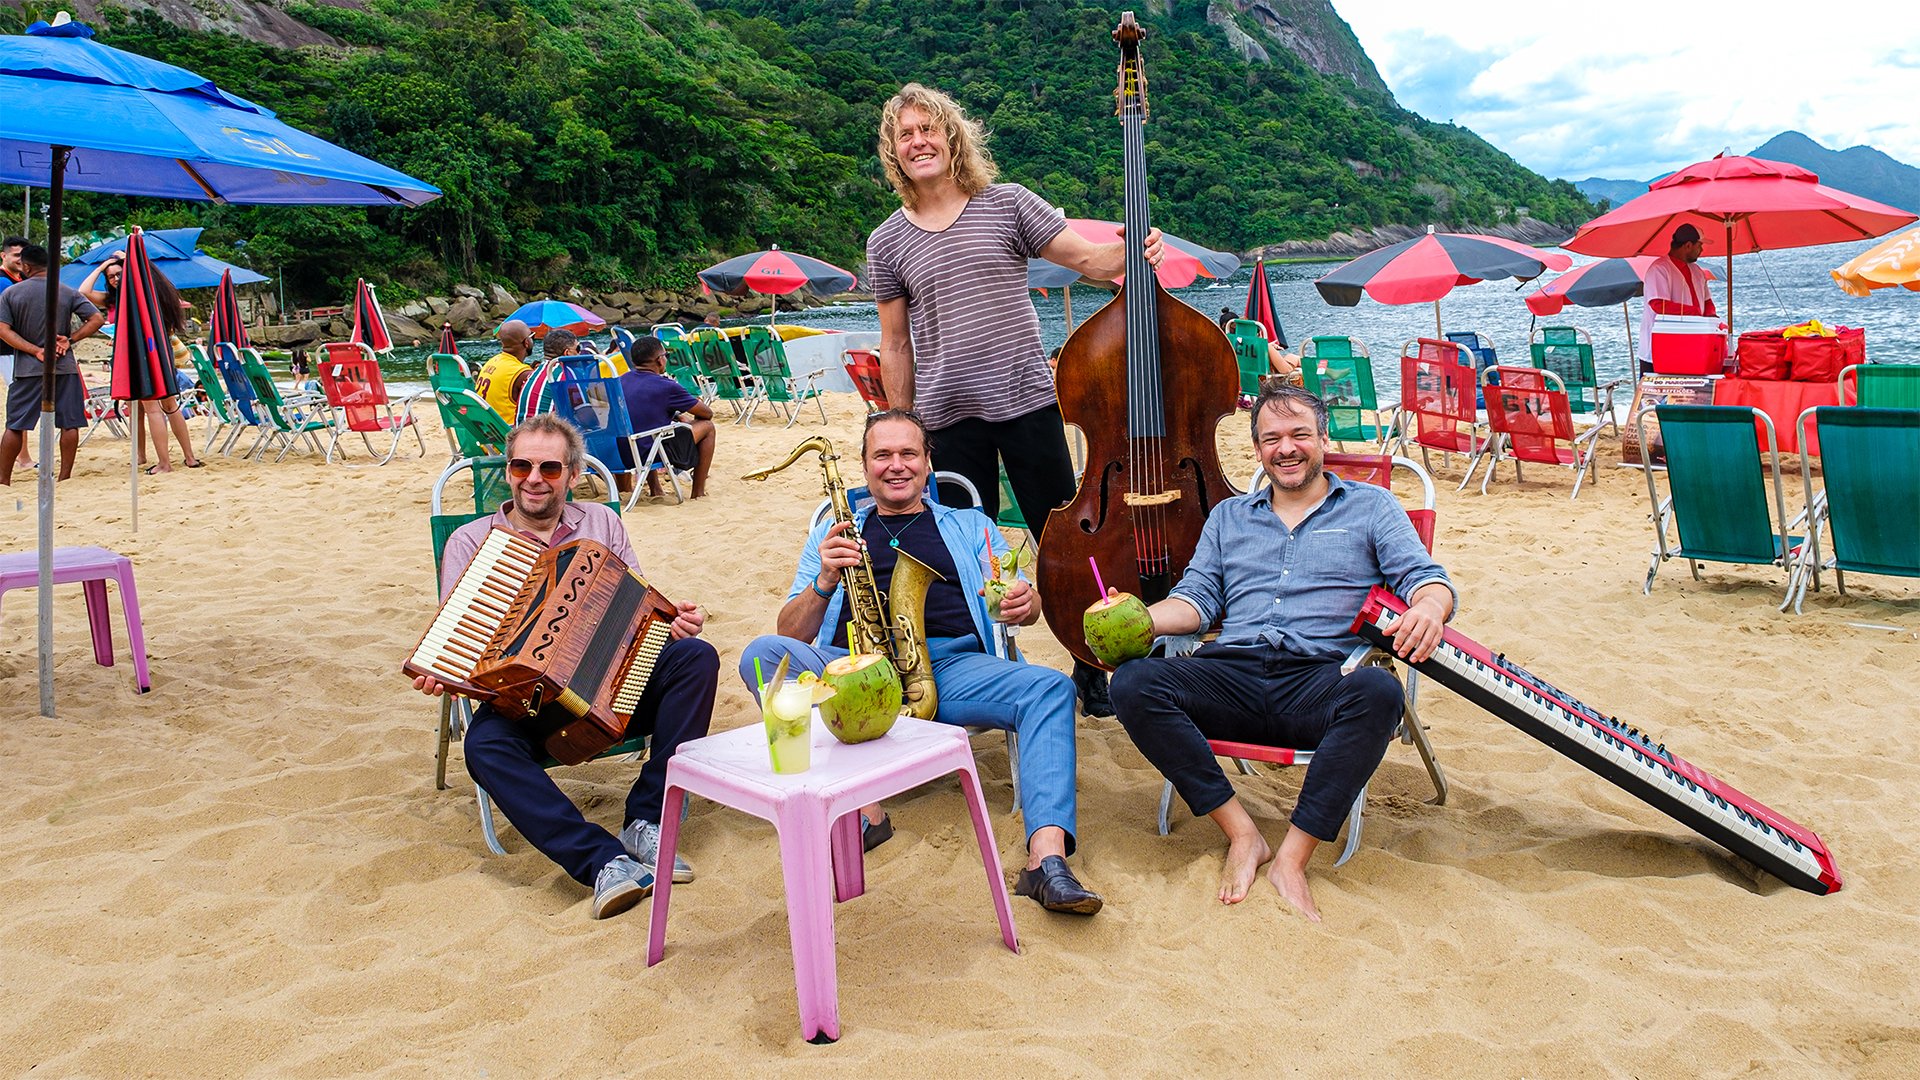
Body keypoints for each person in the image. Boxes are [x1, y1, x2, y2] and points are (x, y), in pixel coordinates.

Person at [865, 81, 1165, 718]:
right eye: (905, 134)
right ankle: (982, 667)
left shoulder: (1008, 204)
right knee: (960, 550)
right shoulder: (886, 241)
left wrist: (1136, 251)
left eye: (929, 129)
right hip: (947, 417)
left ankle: (1091, 663)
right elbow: (895, 344)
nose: (919, 141)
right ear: (893, 150)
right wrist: (903, 423)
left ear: (952, 137)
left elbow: (1090, 260)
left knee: (1065, 539)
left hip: (1027, 401)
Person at [1107, 383, 1456, 922]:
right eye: (1271, 438)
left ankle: (1291, 859)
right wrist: (1140, 619)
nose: (1286, 448)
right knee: (1131, 682)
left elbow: (1425, 579)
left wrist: (1430, 609)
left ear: (1323, 439)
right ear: (1258, 449)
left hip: (1316, 681)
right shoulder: (1228, 518)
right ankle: (1243, 834)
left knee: (1378, 690)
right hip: (1232, 675)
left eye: (1299, 435)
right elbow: (1197, 599)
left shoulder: (1372, 507)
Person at [738, 410, 1104, 915]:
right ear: (864, 467)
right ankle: (865, 810)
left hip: (949, 665)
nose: (896, 466)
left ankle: (1046, 861)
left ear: (928, 462)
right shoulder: (835, 532)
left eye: (908, 453)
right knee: (761, 656)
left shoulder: (971, 525)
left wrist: (1027, 601)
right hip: (849, 668)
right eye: (881, 455)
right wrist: (824, 580)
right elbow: (791, 633)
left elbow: (1013, 598)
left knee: (1052, 689)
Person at [413, 414, 718, 919]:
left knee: (694, 658)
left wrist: (672, 622)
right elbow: (463, 646)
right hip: (525, 708)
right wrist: (445, 670)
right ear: (509, 471)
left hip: (610, 692)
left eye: (549, 468)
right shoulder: (471, 541)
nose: (533, 478)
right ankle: (602, 862)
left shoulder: (603, 523)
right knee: (484, 746)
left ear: (573, 475)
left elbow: (635, 614)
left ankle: (647, 819)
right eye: (521, 465)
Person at [0, 243, 105, 485]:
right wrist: (70, 339)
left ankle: (4, 479)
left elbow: (3, 330)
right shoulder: (66, 291)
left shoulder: (12, 293)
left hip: (28, 367)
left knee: (15, 424)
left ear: (26, 266)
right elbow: (97, 318)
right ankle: (65, 476)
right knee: (70, 423)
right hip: (64, 364)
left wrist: (34, 349)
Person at [617, 335, 714, 499]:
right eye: (665, 356)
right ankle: (698, 492)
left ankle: (656, 489)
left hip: (620, 452)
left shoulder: (620, 381)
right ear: (660, 360)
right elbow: (707, 414)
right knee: (707, 427)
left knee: (647, 428)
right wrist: (682, 414)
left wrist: (675, 414)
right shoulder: (666, 386)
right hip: (647, 453)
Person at [134, 269, 206, 473]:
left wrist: (105, 268)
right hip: (165, 354)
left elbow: (86, 291)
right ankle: (189, 457)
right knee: (171, 406)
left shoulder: (140, 297)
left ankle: (164, 463)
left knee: (152, 409)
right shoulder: (164, 294)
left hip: (146, 353)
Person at [1640, 223, 1718, 371]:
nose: (1701, 250)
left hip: (1692, 344)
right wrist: (1694, 313)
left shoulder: (1697, 271)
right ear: (1688, 245)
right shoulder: (1660, 269)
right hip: (1660, 350)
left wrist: (1711, 320)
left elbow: (1707, 302)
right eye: (1699, 246)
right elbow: (1658, 305)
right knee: (1659, 393)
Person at [1, 237, 30, 472]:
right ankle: (23, 457)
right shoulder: (4, 283)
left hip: (15, 349)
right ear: (4, 256)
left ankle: (23, 456)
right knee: (19, 401)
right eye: (16, 255)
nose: (20, 260)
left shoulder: (18, 280)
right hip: (7, 350)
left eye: (24, 255)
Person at [474, 319, 534, 423]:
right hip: (509, 432)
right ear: (526, 342)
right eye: (532, 336)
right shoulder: (521, 372)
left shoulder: (491, 361)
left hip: (490, 428)